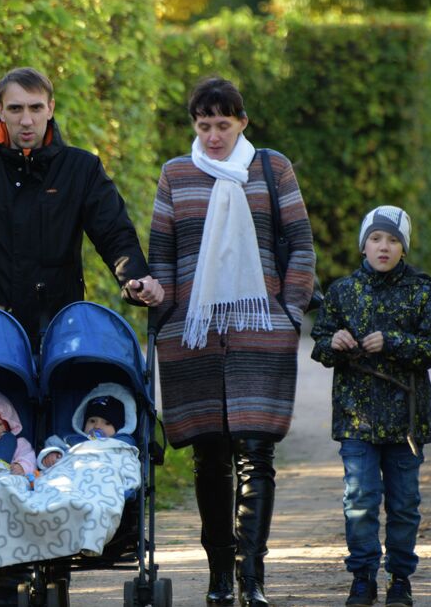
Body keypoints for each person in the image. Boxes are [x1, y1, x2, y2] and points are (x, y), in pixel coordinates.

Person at [147, 76, 316, 607]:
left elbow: (300, 243)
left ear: (243, 122)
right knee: (208, 458)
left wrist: (289, 311)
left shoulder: (272, 168)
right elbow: (163, 252)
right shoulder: (176, 174)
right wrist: (162, 307)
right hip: (192, 337)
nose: (214, 136)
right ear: (193, 125)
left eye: (224, 124)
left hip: (261, 332)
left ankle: (252, 577)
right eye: (204, 125)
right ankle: (220, 574)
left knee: (256, 454)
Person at [0, 67, 163, 348]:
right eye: (15, 109)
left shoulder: (81, 169)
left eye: (35, 108)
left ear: (50, 108)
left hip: (60, 329)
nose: (26, 120)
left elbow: (114, 233)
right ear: (0, 111)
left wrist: (135, 277)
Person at [309, 205, 431, 607]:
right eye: (376, 239)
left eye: (392, 240)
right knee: (359, 501)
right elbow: (320, 344)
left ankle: (401, 581)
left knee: (404, 505)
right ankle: (362, 579)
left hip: (407, 421)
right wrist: (333, 344)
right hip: (356, 420)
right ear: (363, 246)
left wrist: (394, 342)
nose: (383, 247)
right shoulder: (341, 292)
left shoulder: (422, 292)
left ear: (403, 248)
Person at [37, 386, 136, 470]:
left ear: (118, 429)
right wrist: (53, 454)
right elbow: (53, 444)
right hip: (74, 472)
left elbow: (127, 462)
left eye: (107, 423)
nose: (97, 426)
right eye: (92, 421)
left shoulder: (122, 443)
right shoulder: (72, 440)